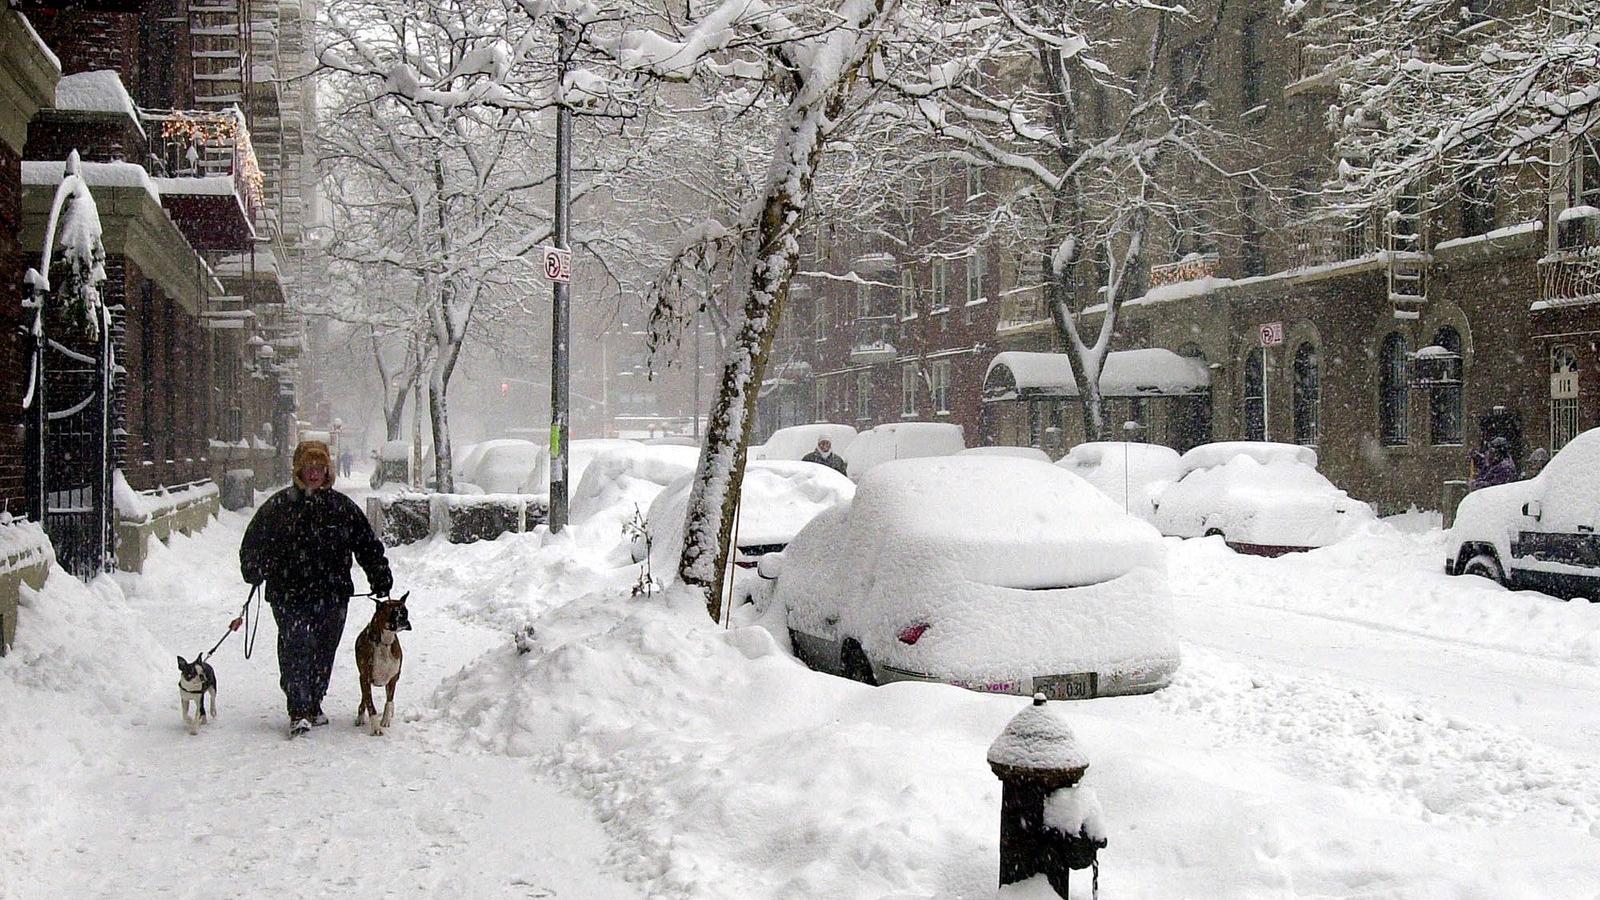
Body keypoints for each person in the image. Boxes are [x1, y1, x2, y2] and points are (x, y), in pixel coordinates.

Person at [240, 440, 393, 736]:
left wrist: (380, 575)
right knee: (296, 646)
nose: (314, 473)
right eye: (309, 468)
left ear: (328, 471)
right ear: (299, 470)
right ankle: (298, 708)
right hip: (289, 595)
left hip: (332, 595)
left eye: (320, 468)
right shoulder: (279, 507)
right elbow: (253, 544)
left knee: (324, 651)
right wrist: (255, 569)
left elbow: (366, 544)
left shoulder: (341, 508)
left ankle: (314, 701)